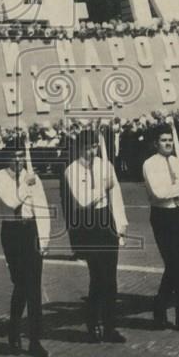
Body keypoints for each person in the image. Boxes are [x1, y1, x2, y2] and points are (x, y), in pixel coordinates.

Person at [65, 129, 128, 343]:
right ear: (79, 148)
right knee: (98, 277)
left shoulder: (105, 165)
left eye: (94, 147)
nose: (92, 152)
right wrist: (103, 187)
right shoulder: (72, 171)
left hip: (105, 220)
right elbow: (82, 200)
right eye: (87, 148)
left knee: (110, 278)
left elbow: (115, 195)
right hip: (87, 224)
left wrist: (121, 222)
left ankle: (110, 327)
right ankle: (92, 324)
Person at [0, 141, 50, 357]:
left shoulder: (32, 176)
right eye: (14, 156)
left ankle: (35, 340)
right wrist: (27, 185)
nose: (18, 160)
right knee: (20, 284)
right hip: (11, 232)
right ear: (7, 158)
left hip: (30, 230)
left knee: (34, 287)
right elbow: (11, 202)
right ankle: (14, 328)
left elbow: (42, 208)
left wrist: (44, 239)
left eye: (21, 156)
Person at [142, 125, 179, 331]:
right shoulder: (150, 164)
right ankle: (160, 306)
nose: (168, 143)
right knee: (173, 264)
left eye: (170, 140)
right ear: (156, 143)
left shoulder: (178, 162)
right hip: (162, 216)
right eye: (163, 140)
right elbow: (159, 193)